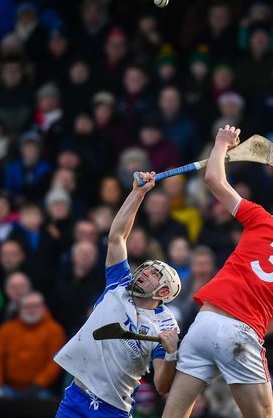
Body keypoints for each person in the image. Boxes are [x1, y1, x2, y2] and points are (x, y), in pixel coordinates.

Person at [163, 125, 273, 418]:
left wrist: (221, 143)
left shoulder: (264, 220)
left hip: (204, 322)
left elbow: (213, 179)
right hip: (242, 332)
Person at [52, 171, 182, 417]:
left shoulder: (166, 325)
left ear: (164, 291)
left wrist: (172, 353)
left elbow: (162, 386)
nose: (144, 273)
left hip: (112, 410)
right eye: (146, 268)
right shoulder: (119, 284)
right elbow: (117, 237)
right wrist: (137, 193)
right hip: (75, 398)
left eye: (154, 274)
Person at [0, 291, 64, 398]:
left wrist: (39, 383)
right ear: (19, 309)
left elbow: (56, 362)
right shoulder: (6, 329)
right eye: (27, 306)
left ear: (43, 307)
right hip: (8, 388)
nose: (31, 310)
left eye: (35, 306)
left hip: (40, 389)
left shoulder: (54, 330)